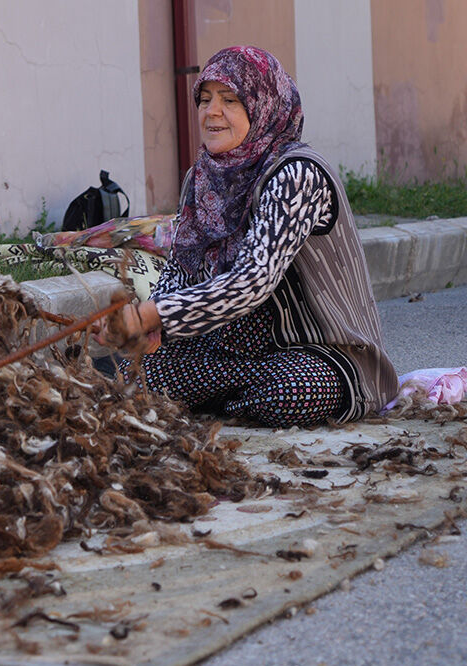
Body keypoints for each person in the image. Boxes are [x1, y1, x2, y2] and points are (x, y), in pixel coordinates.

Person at [95, 46, 396, 427]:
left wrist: (153, 315)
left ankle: (219, 394)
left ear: (264, 105)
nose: (212, 112)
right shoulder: (201, 180)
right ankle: (231, 393)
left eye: (230, 100)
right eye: (204, 100)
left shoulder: (296, 174)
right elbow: (179, 274)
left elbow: (252, 280)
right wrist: (146, 329)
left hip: (320, 352)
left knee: (289, 391)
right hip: (230, 350)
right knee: (136, 375)